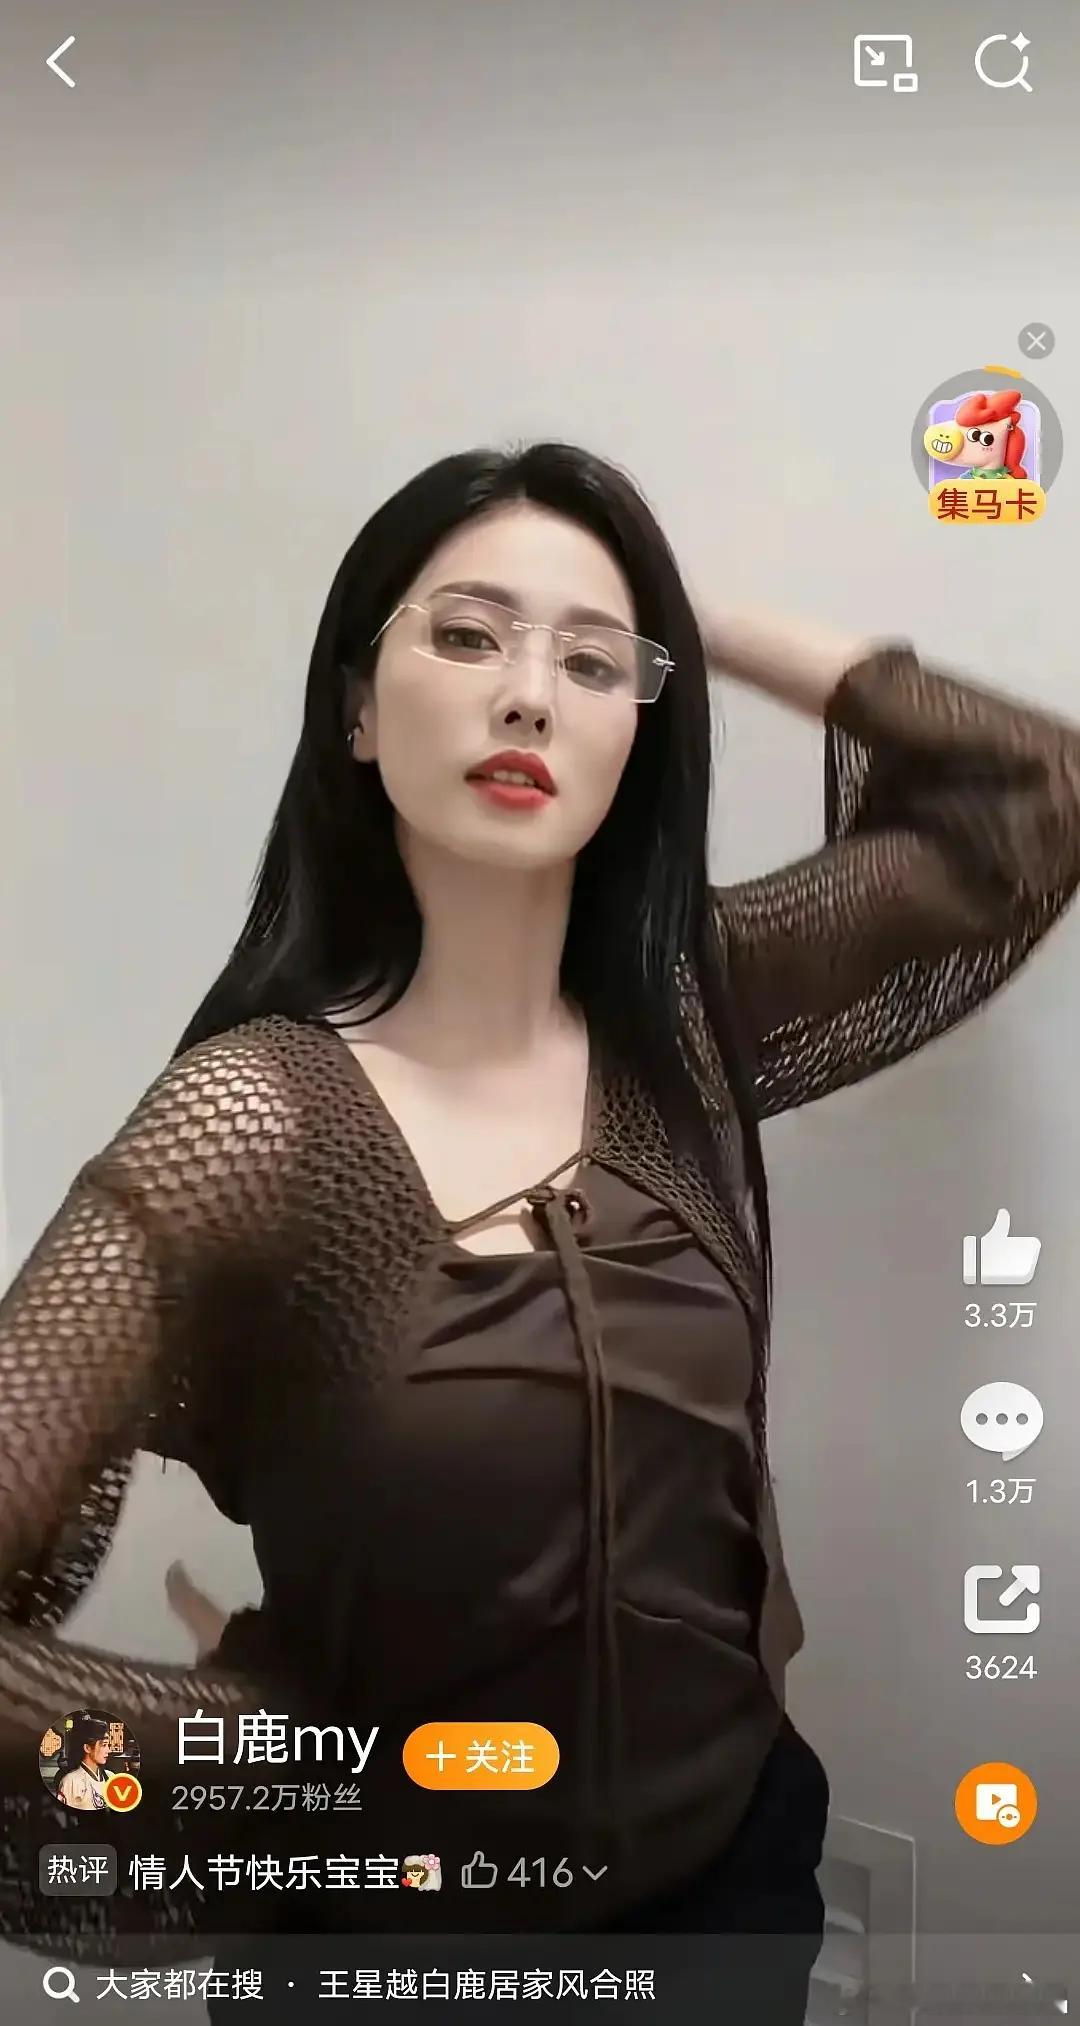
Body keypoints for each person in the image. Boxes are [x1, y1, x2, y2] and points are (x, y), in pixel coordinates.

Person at [2, 442, 1080, 2023]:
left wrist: (687, 618)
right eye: (468, 636)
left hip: (732, 1900)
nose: (527, 697)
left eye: (589, 661)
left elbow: (1028, 801)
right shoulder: (252, 1120)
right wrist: (261, 1760)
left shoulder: (684, 1022)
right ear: (356, 710)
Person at [54, 1718, 111, 1813]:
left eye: (108, 1745)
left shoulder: (110, 1777)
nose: (108, 1750)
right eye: (104, 1745)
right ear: (87, 1748)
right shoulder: (70, 1781)